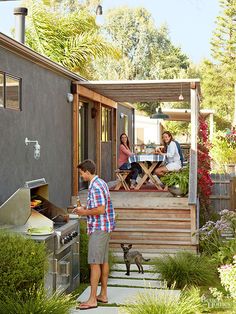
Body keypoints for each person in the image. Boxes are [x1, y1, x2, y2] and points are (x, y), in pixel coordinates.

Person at [74, 159, 115, 310]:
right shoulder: (101, 182)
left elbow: (101, 209)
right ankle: (103, 294)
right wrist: (84, 207)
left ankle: (92, 299)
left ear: (87, 171)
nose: (81, 176)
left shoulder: (96, 186)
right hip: (105, 227)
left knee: (94, 263)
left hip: (99, 228)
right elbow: (97, 205)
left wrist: (83, 212)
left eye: (81, 173)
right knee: (103, 261)